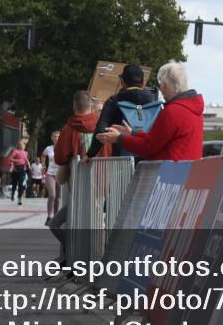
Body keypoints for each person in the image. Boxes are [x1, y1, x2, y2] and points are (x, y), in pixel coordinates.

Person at [101, 62, 203, 162]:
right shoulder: (194, 109)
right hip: (189, 170)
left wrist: (119, 138)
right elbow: (156, 140)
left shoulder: (172, 111)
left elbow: (148, 147)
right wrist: (133, 133)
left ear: (164, 85)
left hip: (170, 171)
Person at [50, 91, 102, 261]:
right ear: (90, 106)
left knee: (57, 224)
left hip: (78, 187)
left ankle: (75, 254)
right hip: (99, 185)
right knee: (95, 226)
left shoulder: (69, 129)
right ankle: (86, 258)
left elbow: (59, 158)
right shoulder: (102, 126)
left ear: (74, 106)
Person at [87, 64, 157, 158]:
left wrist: (90, 155)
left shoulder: (114, 101)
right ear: (143, 83)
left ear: (122, 82)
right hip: (148, 159)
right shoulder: (153, 102)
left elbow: (101, 130)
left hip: (121, 160)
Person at [42, 131, 60, 226]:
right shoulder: (48, 148)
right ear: (52, 138)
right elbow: (43, 155)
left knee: (58, 198)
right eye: (55, 136)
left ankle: (56, 218)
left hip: (60, 174)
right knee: (52, 195)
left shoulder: (63, 148)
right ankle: (49, 216)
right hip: (50, 173)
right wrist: (43, 165)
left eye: (58, 136)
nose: (56, 138)